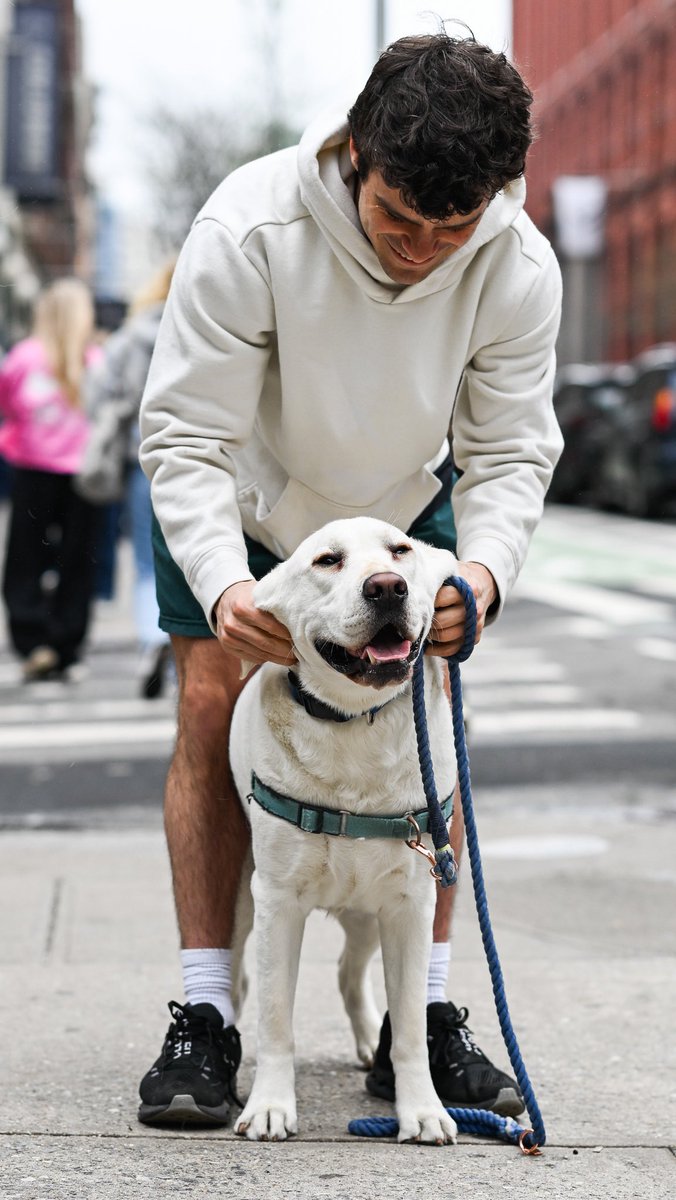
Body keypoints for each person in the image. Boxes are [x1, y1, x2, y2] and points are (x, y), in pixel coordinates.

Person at [138, 31, 563, 1127]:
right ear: (353, 155)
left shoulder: (516, 266)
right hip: (242, 493)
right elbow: (185, 434)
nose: (423, 250)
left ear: (497, 194)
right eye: (398, 221)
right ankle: (205, 1014)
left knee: (428, 722)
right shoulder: (248, 225)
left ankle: (412, 1021)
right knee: (207, 703)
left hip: (400, 506)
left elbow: (512, 451)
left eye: (452, 227)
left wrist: (480, 574)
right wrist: (228, 586)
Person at [80, 263, 175, 699]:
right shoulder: (211, 323)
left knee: (144, 562)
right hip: (208, 461)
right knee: (197, 555)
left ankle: (152, 639)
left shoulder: (132, 336)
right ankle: (186, 645)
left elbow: (94, 392)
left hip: (144, 459)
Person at [0, 279, 103, 681]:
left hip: (33, 468)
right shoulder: (95, 360)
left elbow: (7, 405)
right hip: (84, 473)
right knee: (79, 561)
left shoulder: (24, 358)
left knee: (24, 558)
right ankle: (68, 645)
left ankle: (33, 641)